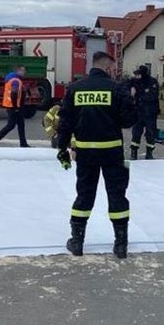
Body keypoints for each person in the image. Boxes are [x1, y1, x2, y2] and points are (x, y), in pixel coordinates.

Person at [57, 51, 136, 258]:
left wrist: (62, 149)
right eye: (113, 68)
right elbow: (128, 121)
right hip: (112, 153)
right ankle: (121, 246)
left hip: (85, 153)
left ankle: (77, 243)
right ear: (108, 67)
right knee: (117, 196)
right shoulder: (117, 89)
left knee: (84, 195)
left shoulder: (75, 89)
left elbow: (65, 122)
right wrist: (131, 100)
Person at [0, 66, 29, 148]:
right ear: (18, 71)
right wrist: (16, 107)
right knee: (11, 125)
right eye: (23, 71)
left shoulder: (12, 79)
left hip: (12, 105)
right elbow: (14, 93)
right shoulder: (16, 81)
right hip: (13, 106)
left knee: (21, 124)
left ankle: (23, 143)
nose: (24, 73)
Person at [129, 65, 160, 160]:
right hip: (138, 112)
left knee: (150, 133)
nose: (136, 76)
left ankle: (149, 153)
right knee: (136, 133)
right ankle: (133, 153)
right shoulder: (135, 83)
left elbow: (152, 96)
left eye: (138, 74)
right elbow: (129, 92)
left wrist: (139, 95)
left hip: (150, 113)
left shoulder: (152, 82)